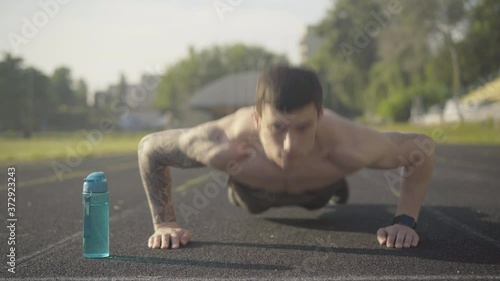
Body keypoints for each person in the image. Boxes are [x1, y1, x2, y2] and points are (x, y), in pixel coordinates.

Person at [138, 66, 435, 250]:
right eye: (277, 128)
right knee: (245, 193)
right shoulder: (222, 141)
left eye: (303, 127)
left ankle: (335, 184)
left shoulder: (350, 145)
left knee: (327, 182)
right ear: (257, 118)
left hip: (318, 188)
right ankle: (330, 182)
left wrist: (405, 222)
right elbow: (150, 149)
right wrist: (164, 224)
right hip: (251, 193)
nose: (290, 145)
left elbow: (422, 147)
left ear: (319, 116)